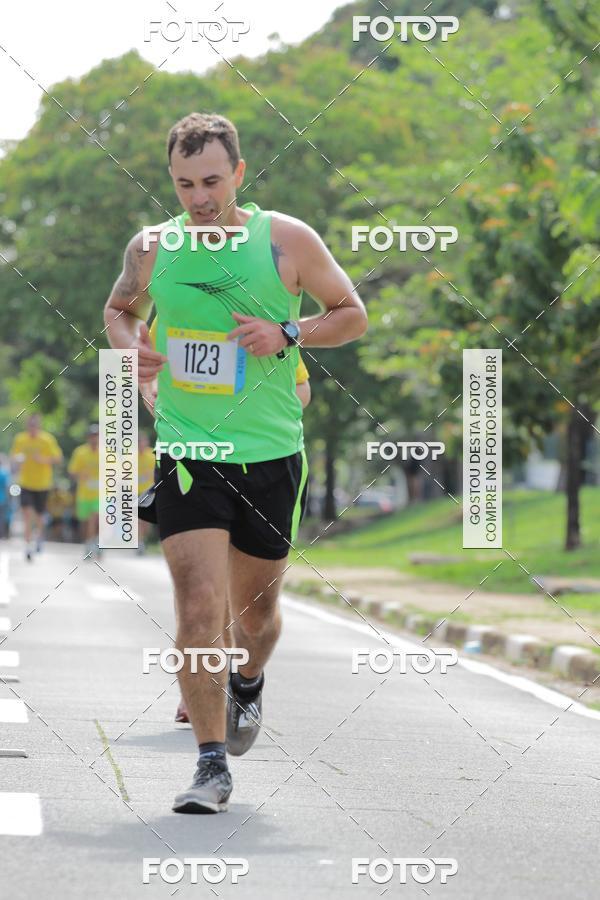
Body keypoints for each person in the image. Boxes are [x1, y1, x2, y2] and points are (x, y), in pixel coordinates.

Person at [104, 112, 367, 814]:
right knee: (198, 607)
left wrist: (288, 331)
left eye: (212, 181)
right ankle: (211, 764)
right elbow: (119, 310)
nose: (199, 198)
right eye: (185, 184)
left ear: (240, 174)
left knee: (255, 617)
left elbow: (351, 314)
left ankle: (248, 680)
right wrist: (131, 347)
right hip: (188, 451)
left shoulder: (286, 241)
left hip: (269, 454)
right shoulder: (152, 247)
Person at [144, 316, 313, 724]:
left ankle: (246, 678)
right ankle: (202, 689)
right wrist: (168, 406)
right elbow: (146, 380)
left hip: (262, 464)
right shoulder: (171, 313)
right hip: (194, 462)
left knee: (250, 606)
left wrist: (254, 413)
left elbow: (301, 390)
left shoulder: (261, 319)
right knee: (201, 591)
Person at [10, 414, 63, 561]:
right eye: (30, 425)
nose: (32, 427)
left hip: (42, 484)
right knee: (27, 514)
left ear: (39, 426)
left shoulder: (47, 440)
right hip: (25, 483)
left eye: (35, 425)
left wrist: (43, 460)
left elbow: (58, 458)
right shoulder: (20, 439)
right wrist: (18, 459)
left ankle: (39, 538)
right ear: (27, 425)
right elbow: (13, 456)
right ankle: (28, 545)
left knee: (39, 516)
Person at [68, 425, 100, 559]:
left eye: (97, 436)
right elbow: (72, 472)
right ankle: (89, 543)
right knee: (85, 523)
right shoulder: (80, 452)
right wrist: (81, 475)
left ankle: (94, 543)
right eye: (92, 436)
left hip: (101, 495)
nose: (94, 439)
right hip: (84, 495)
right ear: (88, 437)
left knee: (95, 518)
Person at [137, 432, 156, 555]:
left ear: (146, 443)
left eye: (142, 442)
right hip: (134, 491)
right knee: (138, 519)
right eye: (138, 442)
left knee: (146, 522)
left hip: (149, 491)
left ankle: (143, 540)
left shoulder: (152, 455)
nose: (140, 444)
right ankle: (139, 542)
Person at [0, 454, 11, 539]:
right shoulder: (4, 473)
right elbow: (8, 486)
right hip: (2, 499)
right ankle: (1, 534)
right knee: (2, 517)